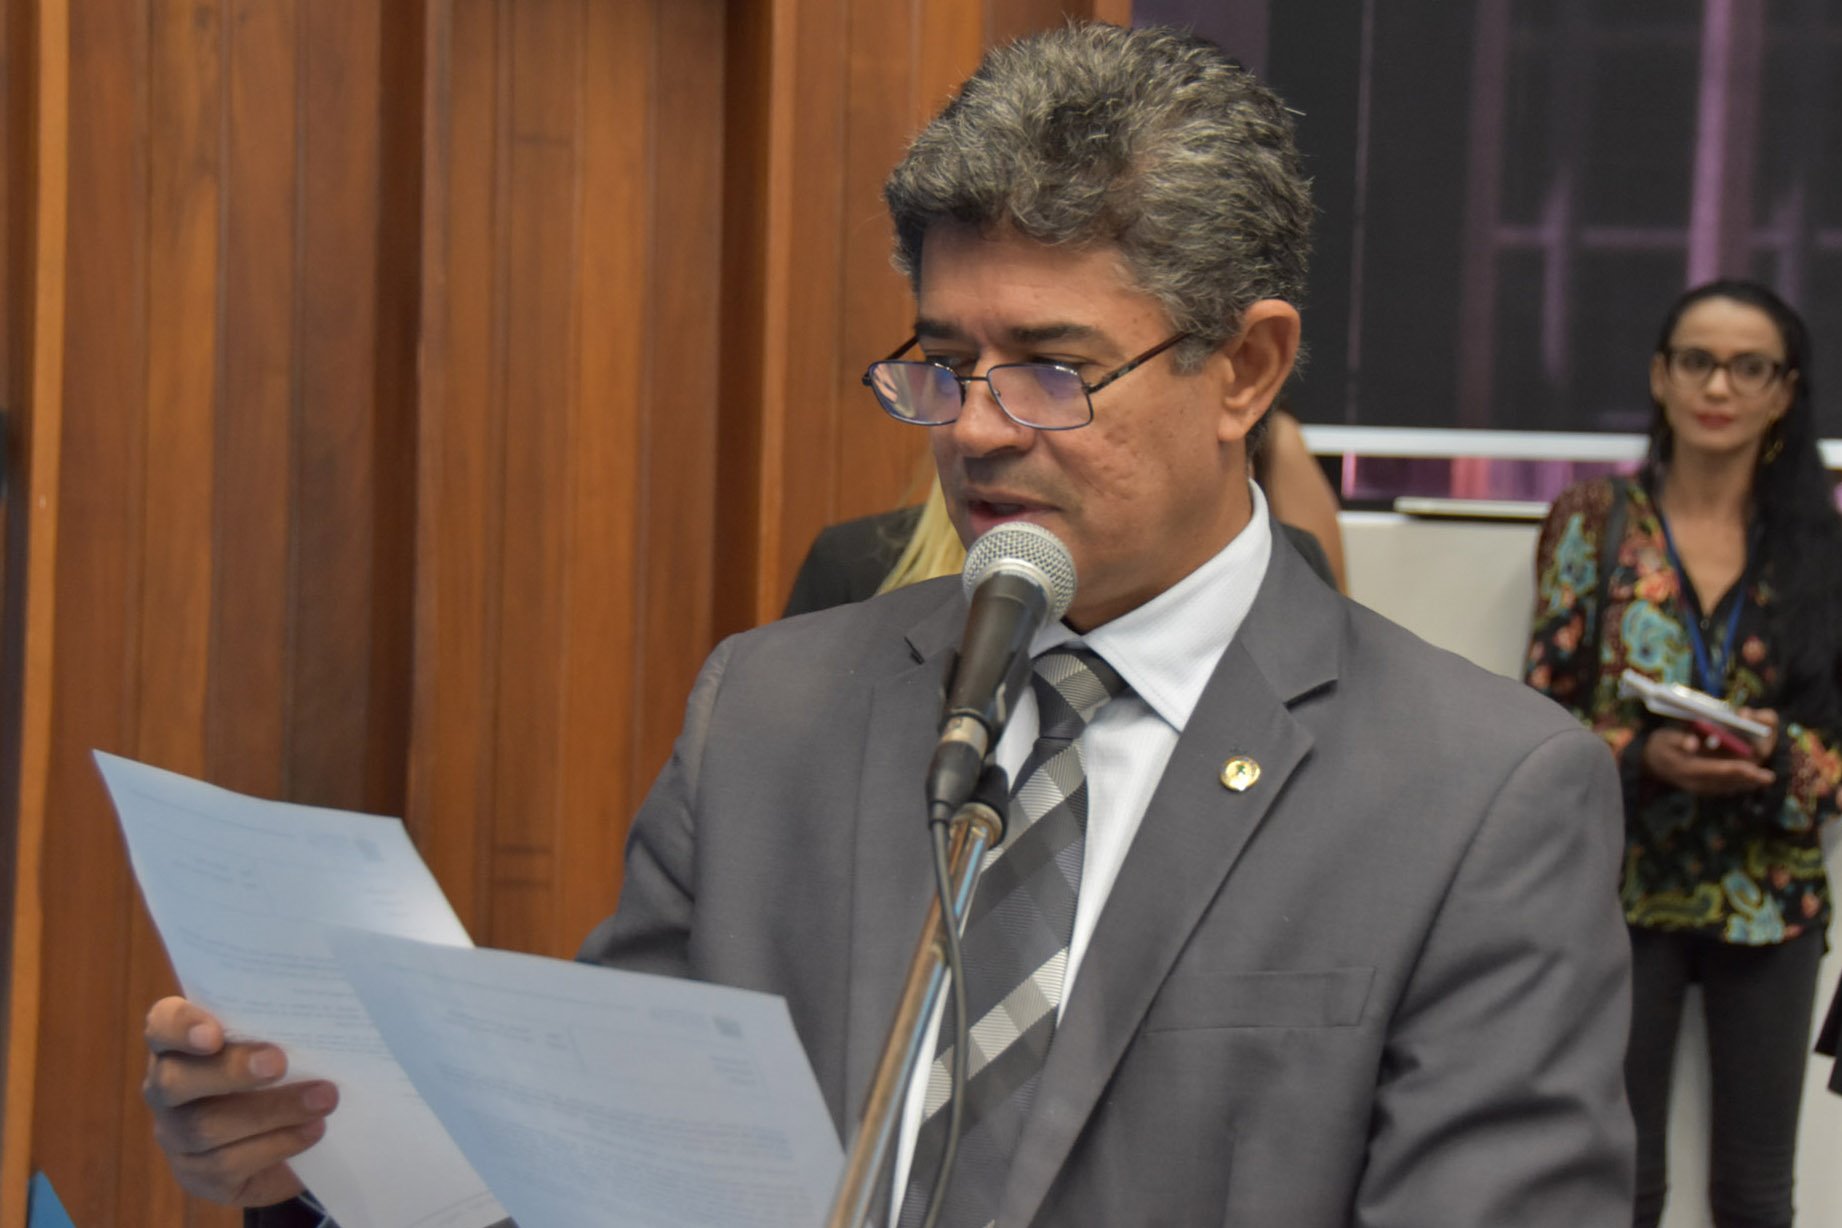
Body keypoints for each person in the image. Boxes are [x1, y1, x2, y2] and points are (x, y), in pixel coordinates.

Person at [144, 23, 1634, 1226]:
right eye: (941, 360)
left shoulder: (1476, 795)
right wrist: (319, 1160)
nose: (973, 429)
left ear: (1243, 369)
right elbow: (601, 1164)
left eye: (1052, 369)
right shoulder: (771, 712)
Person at [1525, 279, 1842, 1228]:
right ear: (1660, 376)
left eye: (1750, 368)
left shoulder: (1824, 545)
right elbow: (1539, 723)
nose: (1720, 386)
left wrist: (1771, 752)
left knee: (1756, 1194)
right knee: (1617, 1184)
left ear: (1785, 392)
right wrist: (1644, 755)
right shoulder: (1592, 521)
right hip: (1622, 892)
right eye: (1697, 361)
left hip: (1771, 899)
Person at [782, 427, 1340, 619]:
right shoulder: (856, 564)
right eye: (952, 363)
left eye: (1057, 372)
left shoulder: (1283, 560)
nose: (976, 430)